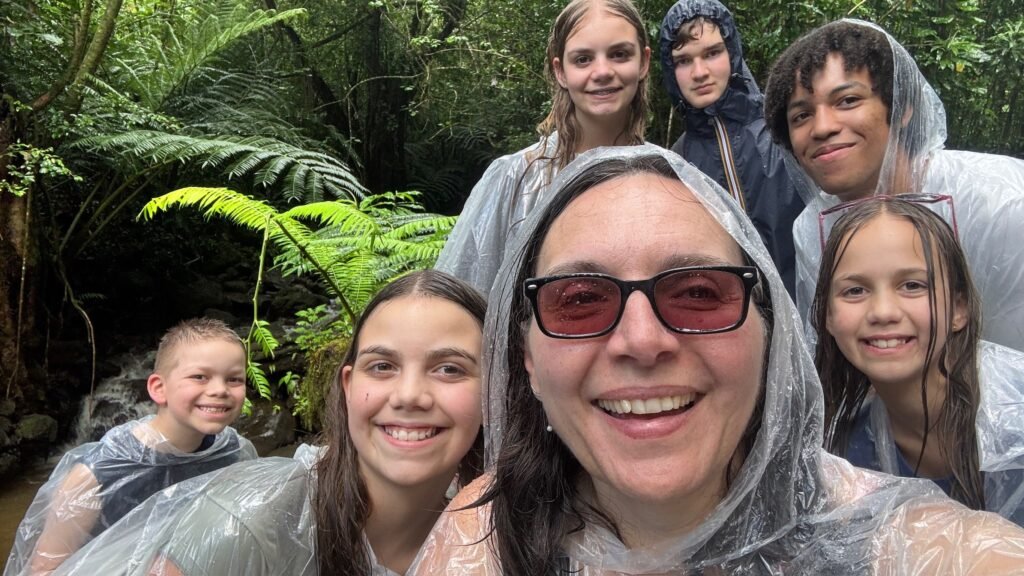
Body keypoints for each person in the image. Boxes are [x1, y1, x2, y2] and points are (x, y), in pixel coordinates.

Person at [412, 145, 1024, 574]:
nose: (642, 341)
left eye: (699, 293)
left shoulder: (901, 540)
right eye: (580, 301)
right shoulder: (480, 538)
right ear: (526, 360)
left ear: (769, 335)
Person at [49, 270, 486, 576]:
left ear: (496, 389)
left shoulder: (497, 532)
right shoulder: (248, 525)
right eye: (383, 366)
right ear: (349, 386)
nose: (409, 395)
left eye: (449, 369)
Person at [762, 19, 1024, 352]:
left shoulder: (999, 204)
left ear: (901, 106)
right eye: (801, 116)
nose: (823, 127)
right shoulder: (815, 229)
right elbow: (831, 358)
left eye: (847, 101)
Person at [812, 196, 1024, 527]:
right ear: (828, 316)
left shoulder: (1014, 412)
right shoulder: (845, 456)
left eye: (912, 285)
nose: (883, 312)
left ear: (958, 309)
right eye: (855, 291)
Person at [4, 318, 256, 576]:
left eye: (234, 379)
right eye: (200, 377)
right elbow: (44, 570)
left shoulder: (235, 453)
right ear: (159, 388)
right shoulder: (94, 478)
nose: (219, 390)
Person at [435, 0, 650, 297]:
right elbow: (461, 299)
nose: (602, 71)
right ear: (560, 71)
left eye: (619, 54)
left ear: (644, 62)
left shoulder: (667, 176)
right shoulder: (515, 179)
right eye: (583, 59)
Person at [658, 0, 804, 296]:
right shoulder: (676, 164)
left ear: (732, 54)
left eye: (712, 53)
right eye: (684, 61)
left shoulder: (785, 129)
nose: (699, 72)